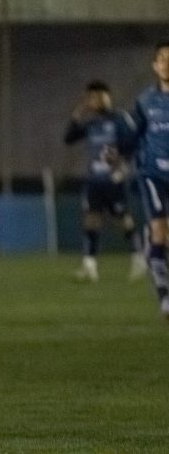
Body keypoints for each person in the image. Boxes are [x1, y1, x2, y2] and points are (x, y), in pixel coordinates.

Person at [63, 80, 146, 283]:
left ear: (105, 97)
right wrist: (77, 113)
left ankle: (138, 257)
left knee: (122, 218)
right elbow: (69, 138)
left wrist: (125, 169)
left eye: (95, 96)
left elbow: (133, 145)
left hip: (113, 179)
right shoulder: (92, 123)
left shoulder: (119, 119)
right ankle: (89, 265)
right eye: (89, 97)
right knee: (91, 219)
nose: (92, 101)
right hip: (94, 180)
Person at [131, 41, 169, 319]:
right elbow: (133, 136)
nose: (167, 64)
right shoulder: (145, 102)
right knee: (159, 232)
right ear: (155, 66)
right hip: (153, 174)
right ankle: (165, 296)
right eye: (163, 59)